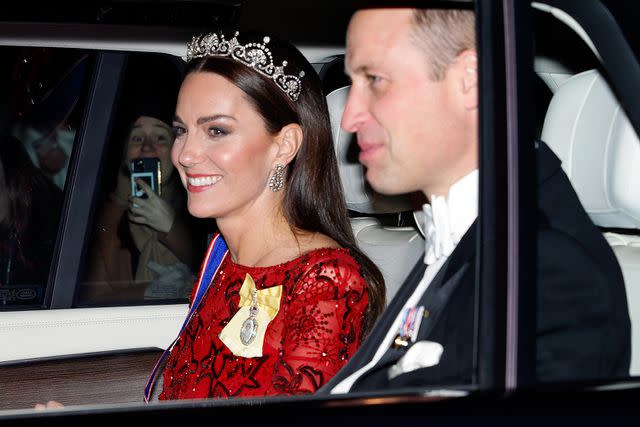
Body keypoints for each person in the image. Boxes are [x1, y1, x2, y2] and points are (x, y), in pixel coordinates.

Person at [320, 6, 631, 394]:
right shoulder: (461, 232)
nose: (348, 118)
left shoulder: (550, 271)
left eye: (376, 80)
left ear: (470, 79)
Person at [144, 30, 386, 401]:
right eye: (181, 130)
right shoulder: (223, 260)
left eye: (216, 130)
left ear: (284, 145)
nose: (186, 153)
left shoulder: (326, 281)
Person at [80, 105, 201, 303]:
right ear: (125, 153)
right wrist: (149, 292)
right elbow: (90, 300)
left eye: (161, 138)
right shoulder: (104, 216)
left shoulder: (203, 209)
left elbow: (216, 273)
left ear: (177, 148)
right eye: (137, 138)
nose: (147, 147)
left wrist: (171, 226)